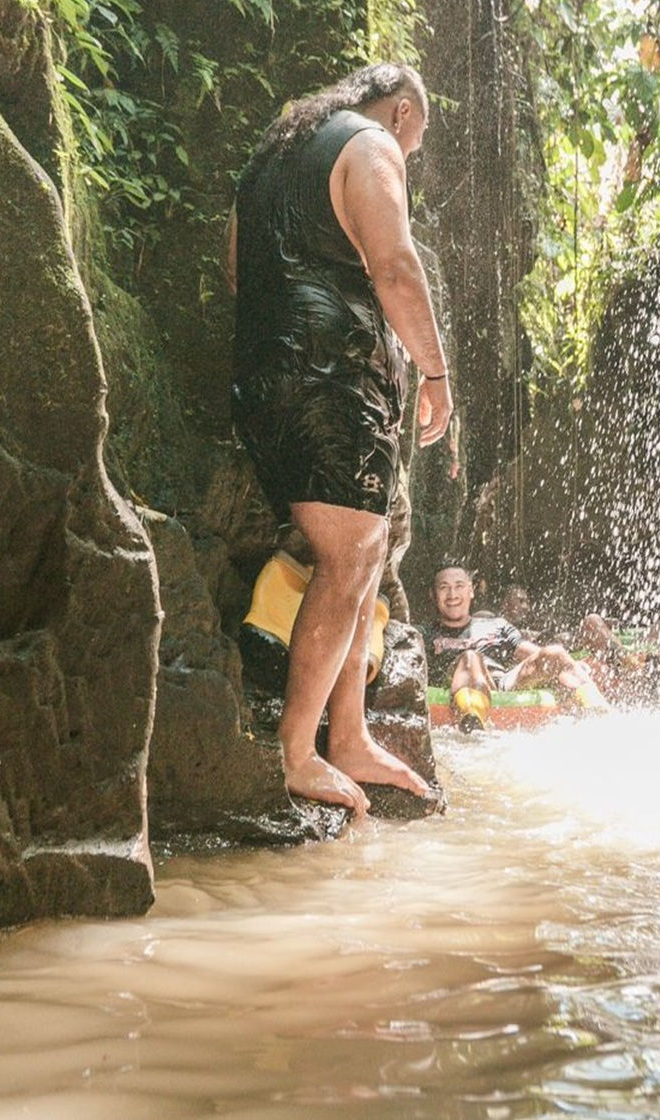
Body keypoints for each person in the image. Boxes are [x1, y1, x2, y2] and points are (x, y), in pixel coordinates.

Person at [227, 62, 448, 815]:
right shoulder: (371, 145)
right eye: (413, 138)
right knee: (351, 553)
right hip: (329, 377)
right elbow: (393, 264)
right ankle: (298, 752)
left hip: (263, 378)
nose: (408, 154)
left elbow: (237, 273)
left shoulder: (271, 161)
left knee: (366, 550)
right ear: (401, 108)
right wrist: (435, 373)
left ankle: (348, 734)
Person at [427, 564, 609, 730]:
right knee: (471, 658)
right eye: (444, 588)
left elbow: (531, 652)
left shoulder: (497, 624)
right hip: (458, 683)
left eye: (459, 586)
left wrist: (568, 664)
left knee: (555, 652)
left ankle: (602, 716)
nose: (452, 594)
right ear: (433, 595)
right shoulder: (424, 634)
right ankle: (473, 726)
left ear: (471, 591)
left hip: (500, 681)